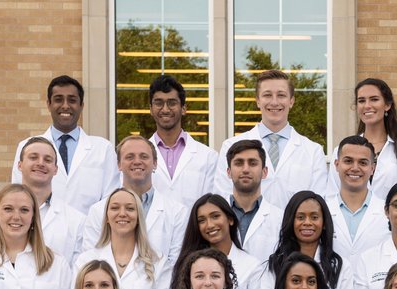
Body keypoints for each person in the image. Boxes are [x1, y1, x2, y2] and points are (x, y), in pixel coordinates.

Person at [10, 74, 118, 215]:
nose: (65, 106)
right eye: (58, 100)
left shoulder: (103, 149)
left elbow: (110, 198)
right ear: (48, 104)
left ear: (81, 105)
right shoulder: (27, 147)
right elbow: (18, 195)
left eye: (72, 100)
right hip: (41, 230)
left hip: (89, 233)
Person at [215, 68, 328, 200]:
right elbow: (223, 198)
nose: (274, 102)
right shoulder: (230, 146)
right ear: (258, 101)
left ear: (291, 101)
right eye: (267, 95)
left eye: (281, 95)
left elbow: (317, 202)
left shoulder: (313, 151)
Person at [249, 190, 356, 289]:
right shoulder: (275, 263)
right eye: (300, 217)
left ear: (324, 224)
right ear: (291, 222)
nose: (307, 222)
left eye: (314, 217)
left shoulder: (340, 267)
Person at [0, 137, 86, 263]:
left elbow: (77, 274)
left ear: (55, 169)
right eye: (33, 157)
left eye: (48, 160)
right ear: (20, 165)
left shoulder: (76, 221)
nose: (40, 163)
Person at [74, 187, 169, 289]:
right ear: (106, 217)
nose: (122, 213)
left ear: (139, 217)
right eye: (115, 208)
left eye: (130, 208)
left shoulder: (158, 263)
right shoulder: (86, 261)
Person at [80, 135, 184, 264]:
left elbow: (176, 264)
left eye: (144, 156)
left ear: (155, 163)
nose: (137, 161)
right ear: (118, 164)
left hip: (160, 283)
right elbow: (91, 261)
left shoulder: (177, 212)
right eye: (129, 157)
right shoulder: (98, 211)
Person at [330, 78, 397, 205]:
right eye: (361, 101)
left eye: (374, 99)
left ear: (387, 105)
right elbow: (331, 196)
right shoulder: (341, 151)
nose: (367, 105)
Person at [175, 193, 264, 289]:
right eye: (202, 220)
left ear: (230, 219)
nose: (210, 225)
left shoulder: (252, 266)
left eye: (215, 216)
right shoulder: (187, 265)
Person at [148, 76, 218, 209]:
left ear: (184, 108)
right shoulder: (137, 157)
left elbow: (211, 206)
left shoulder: (208, 157)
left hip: (191, 230)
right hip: (150, 230)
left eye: (172, 103)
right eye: (158, 103)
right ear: (151, 109)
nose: (165, 109)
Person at [220, 140, 284, 261]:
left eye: (253, 163)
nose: (245, 169)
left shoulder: (280, 219)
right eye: (239, 163)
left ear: (265, 172)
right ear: (228, 172)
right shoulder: (215, 215)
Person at [327, 136, 386, 262]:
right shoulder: (323, 210)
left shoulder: (387, 213)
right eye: (348, 161)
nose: (355, 168)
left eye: (363, 163)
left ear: (372, 168)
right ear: (337, 165)